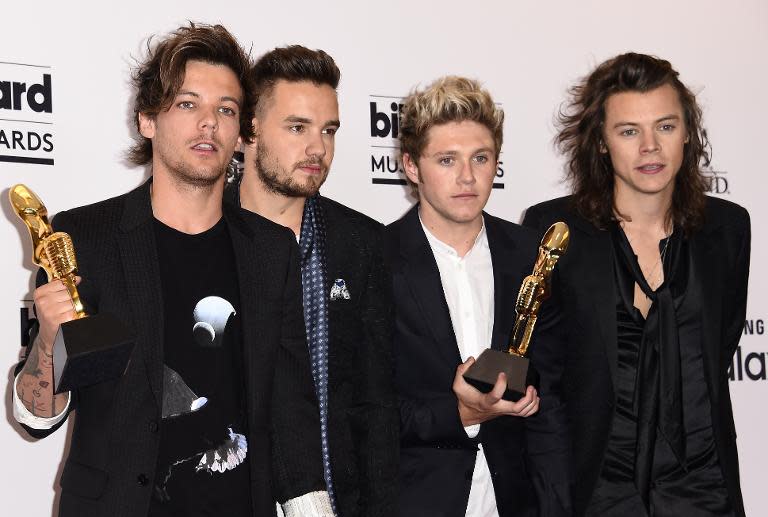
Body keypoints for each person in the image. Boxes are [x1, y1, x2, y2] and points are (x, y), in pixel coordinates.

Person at [12, 23, 332, 517]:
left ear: (241, 130)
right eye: (187, 104)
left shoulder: (271, 250)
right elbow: (35, 418)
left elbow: (290, 405)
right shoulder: (84, 238)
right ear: (147, 120)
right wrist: (50, 338)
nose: (209, 123)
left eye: (225, 109)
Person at [523, 52, 750, 517]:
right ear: (601, 143)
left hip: (705, 486)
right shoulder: (555, 230)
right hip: (598, 491)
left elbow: (721, 342)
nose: (650, 146)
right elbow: (544, 379)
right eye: (629, 131)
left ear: (687, 133)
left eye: (665, 127)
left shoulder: (727, 229)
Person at [385, 76, 571, 517]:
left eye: (480, 158)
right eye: (447, 160)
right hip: (415, 500)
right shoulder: (376, 259)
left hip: (515, 499)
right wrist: (462, 414)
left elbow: (553, 391)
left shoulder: (531, 254)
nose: (467, 177)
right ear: (412, 167)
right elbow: (365, 408)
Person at [226, 45, 398, 517]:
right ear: (249, 130)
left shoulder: (362, 244)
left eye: (328, 130)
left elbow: (376, 406)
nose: (318, 148)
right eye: (297, 127)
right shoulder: (206, 234)